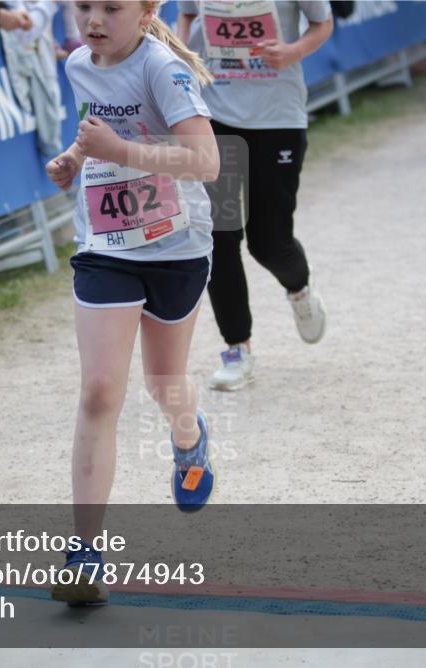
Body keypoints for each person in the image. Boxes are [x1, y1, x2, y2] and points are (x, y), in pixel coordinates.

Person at [44, 0, 219, 605]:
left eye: (110, 7)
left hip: (177, 243)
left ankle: (190, 436)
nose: (93, 19)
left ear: (146, 10)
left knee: (164, 382)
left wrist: (120, 152)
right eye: (83, 6)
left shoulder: (162, 69)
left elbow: (206, 161)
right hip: (106, 243)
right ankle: (84, 556)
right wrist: (76, 157)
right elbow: (96, 128)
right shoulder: (78, 65)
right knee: (98, 390)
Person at [176, 1, 333, 392]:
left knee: (270, 242)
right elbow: (188, 15)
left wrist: (294, 51)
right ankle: (237, 348)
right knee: (220, 234)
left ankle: (298, 287)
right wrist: (179, 63)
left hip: (277, 114)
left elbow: (322, 22)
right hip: (215, 113)